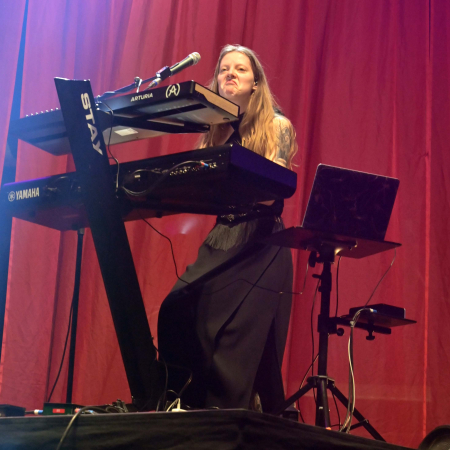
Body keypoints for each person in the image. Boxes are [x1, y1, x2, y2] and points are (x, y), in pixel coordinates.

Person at [157, 44, 297, 413]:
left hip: (260, 240)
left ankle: (226, 417)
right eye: (223, 70)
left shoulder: (276, 126)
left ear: (256, 83)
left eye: (240, 69)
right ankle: (183, 403)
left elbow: (274, 186)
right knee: (178, 307)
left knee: (233, 339)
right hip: (223, 238)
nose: (229, 74)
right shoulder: (216, 130)